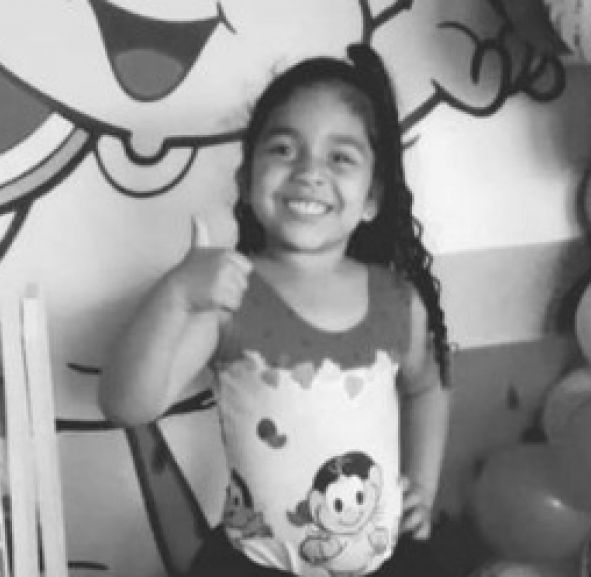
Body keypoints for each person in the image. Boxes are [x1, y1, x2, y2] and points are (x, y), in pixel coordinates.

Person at [99, 43, 451, 577]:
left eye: (340, 157)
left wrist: (422, 483)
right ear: (246, 180)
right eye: (284, 149)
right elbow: (127, 405)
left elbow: (427, 387)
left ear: (372, 197)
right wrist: (175, 294)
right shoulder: (227, 295)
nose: (309, 172)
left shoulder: (398, 299)